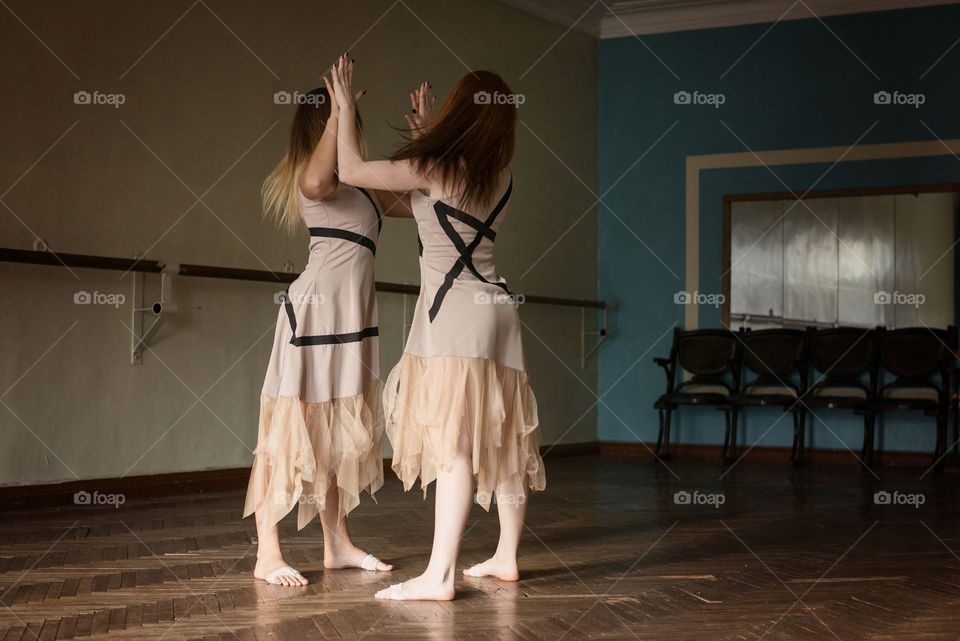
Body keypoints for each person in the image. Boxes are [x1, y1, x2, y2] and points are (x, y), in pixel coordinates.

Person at [330, 54, 546, 601]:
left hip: (456, 315)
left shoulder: (435, 165)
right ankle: (506, 557)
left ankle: (439, 576)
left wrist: (339, 109)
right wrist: (426, 133)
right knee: (505, 437)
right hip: (498, 309)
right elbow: (426, 202)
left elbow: (353, 173)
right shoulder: (501, 175)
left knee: (454, 444)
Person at [243, 74, 412, 586]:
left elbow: (422, 206)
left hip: (352, 323)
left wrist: (423, 138)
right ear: (326, 124)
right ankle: (267, 553)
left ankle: (336, 542)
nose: (350, 129)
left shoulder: (359, 184)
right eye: (343, 120)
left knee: (337, 432)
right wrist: (338, 112)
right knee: (290, 428)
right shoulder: (316, 179)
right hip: (314, 316)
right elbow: (316, 183)